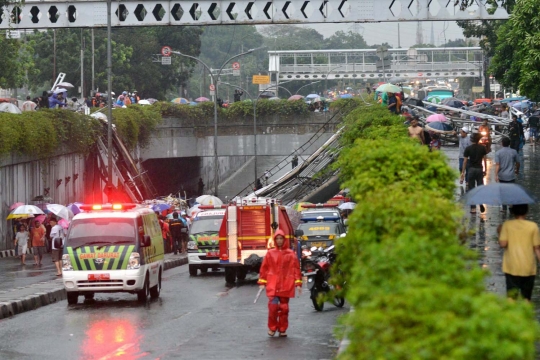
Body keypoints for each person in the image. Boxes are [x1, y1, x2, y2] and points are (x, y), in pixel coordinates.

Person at [257, 229, 302, 337]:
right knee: (272, 308)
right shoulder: (270, 253)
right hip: (273, 284)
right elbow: (264, 268)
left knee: (284, 309)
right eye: (277, 238)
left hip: (286, 284)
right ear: (275, 240)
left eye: (281, 238)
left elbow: (296, 269)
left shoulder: (290, 254)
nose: (279, 241)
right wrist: (262, 282)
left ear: (284, 239)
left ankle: (282, 329)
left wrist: (298, 283)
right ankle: (272, 328)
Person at [498, 204, 540, 301]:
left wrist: (500, 232)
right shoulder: (533, 226)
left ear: (513, 212)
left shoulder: (507, 225)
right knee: (526, 298)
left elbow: (503, 244)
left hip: (511, 267)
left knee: (511, 297)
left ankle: (512, 314)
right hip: (528, 268)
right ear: (526, 211)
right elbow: (537, 248)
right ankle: (526, 314)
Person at [461, 133, 487, 214]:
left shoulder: (468, 148)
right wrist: (485, 169)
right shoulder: (482, 148)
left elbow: (465, 161)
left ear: (471, 139)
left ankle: (473, 208)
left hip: (471, 169)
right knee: (479, 188)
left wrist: (463, 172)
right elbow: (484, 160)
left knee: (471, 189)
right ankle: (480, 203)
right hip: (479, 169)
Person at [495, 137, 520, 212]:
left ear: (502, 143)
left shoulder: (498, 153)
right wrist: (517, 170)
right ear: (509, 143)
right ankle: (511, 206)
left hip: (502, 176)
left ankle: (504, 207)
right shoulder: (514, 152)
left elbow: (497, 165)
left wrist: (496, 175)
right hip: (511, 175)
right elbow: (518, 163)